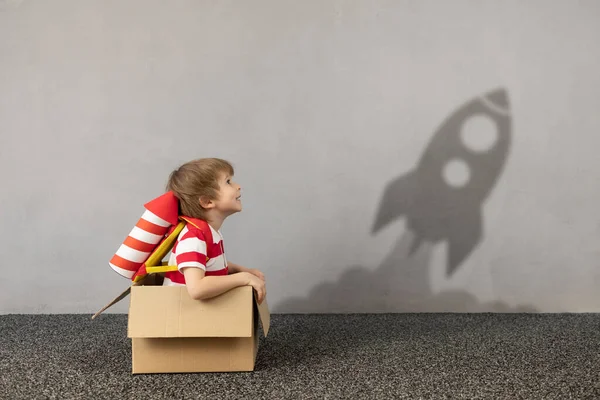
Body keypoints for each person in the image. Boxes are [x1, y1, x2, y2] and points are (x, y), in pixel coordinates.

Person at [162, 157, 266, 304]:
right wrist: (243, 278)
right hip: (181, 313)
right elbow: (197, 288)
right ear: (207, 201)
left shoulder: (208, 232)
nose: (238, 186)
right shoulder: (194, 237)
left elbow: (212, 264)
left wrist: (241, 270)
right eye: (228, 182)